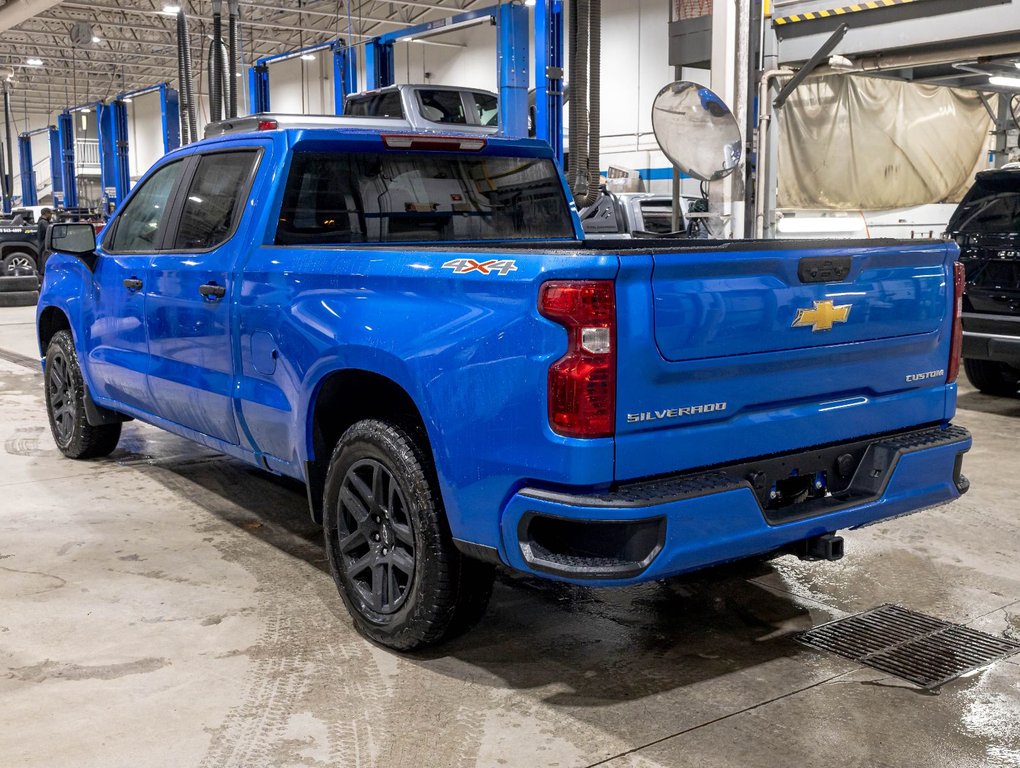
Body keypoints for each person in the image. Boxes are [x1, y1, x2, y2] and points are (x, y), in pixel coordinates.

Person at [36, 208, 53, 274]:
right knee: (44, 260)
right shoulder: (43, 222)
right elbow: (50, 230)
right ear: (46, 214)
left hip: (42, 246)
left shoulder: (42, 221)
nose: (51, 215)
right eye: (50, 214)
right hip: (44, 246)